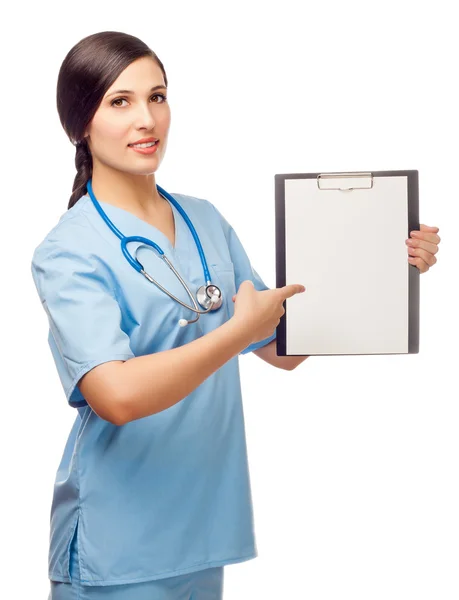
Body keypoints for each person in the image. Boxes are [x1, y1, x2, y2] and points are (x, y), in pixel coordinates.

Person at [31, 31, 441, 600]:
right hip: (118, 542)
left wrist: (379, 267)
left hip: (203, 533)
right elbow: (116, 395)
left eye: (158, 96)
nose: (146, 119)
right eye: (119, 102)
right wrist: (235, 334)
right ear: (80, 124)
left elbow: (283, 347)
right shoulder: (70, 249)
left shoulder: (205, 220)